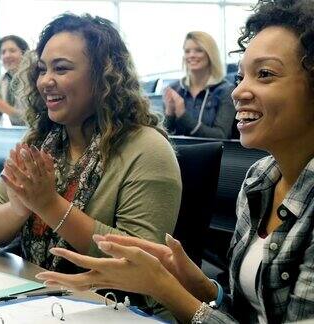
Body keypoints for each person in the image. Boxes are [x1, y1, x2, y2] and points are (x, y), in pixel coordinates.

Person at [37, 1, 314, 322]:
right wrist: (199, 285)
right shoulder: (260, 179)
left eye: (264, 74)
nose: (238, 91)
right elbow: (248, 312)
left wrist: (162, 287)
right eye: (240, 77)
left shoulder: (144, 146)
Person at [0, 14, 182, 318]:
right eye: (42, 70)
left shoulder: (147, 149)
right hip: (44, 300)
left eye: (61, 68)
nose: (45, 81)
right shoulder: (40, 143)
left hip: (122, 311)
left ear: (103, 77)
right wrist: (18, 209)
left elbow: (140, 265)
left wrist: (48, 204)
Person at [164, 31, 236, 139]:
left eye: (198, 50)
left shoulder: (226, 91)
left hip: (211, 154)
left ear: (210, 54)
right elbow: (164, 135)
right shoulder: (174, 89)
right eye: (187, 51)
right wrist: (169, 113)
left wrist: (183, 116)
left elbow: (221, 135)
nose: (191, 55)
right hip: (178, 154)